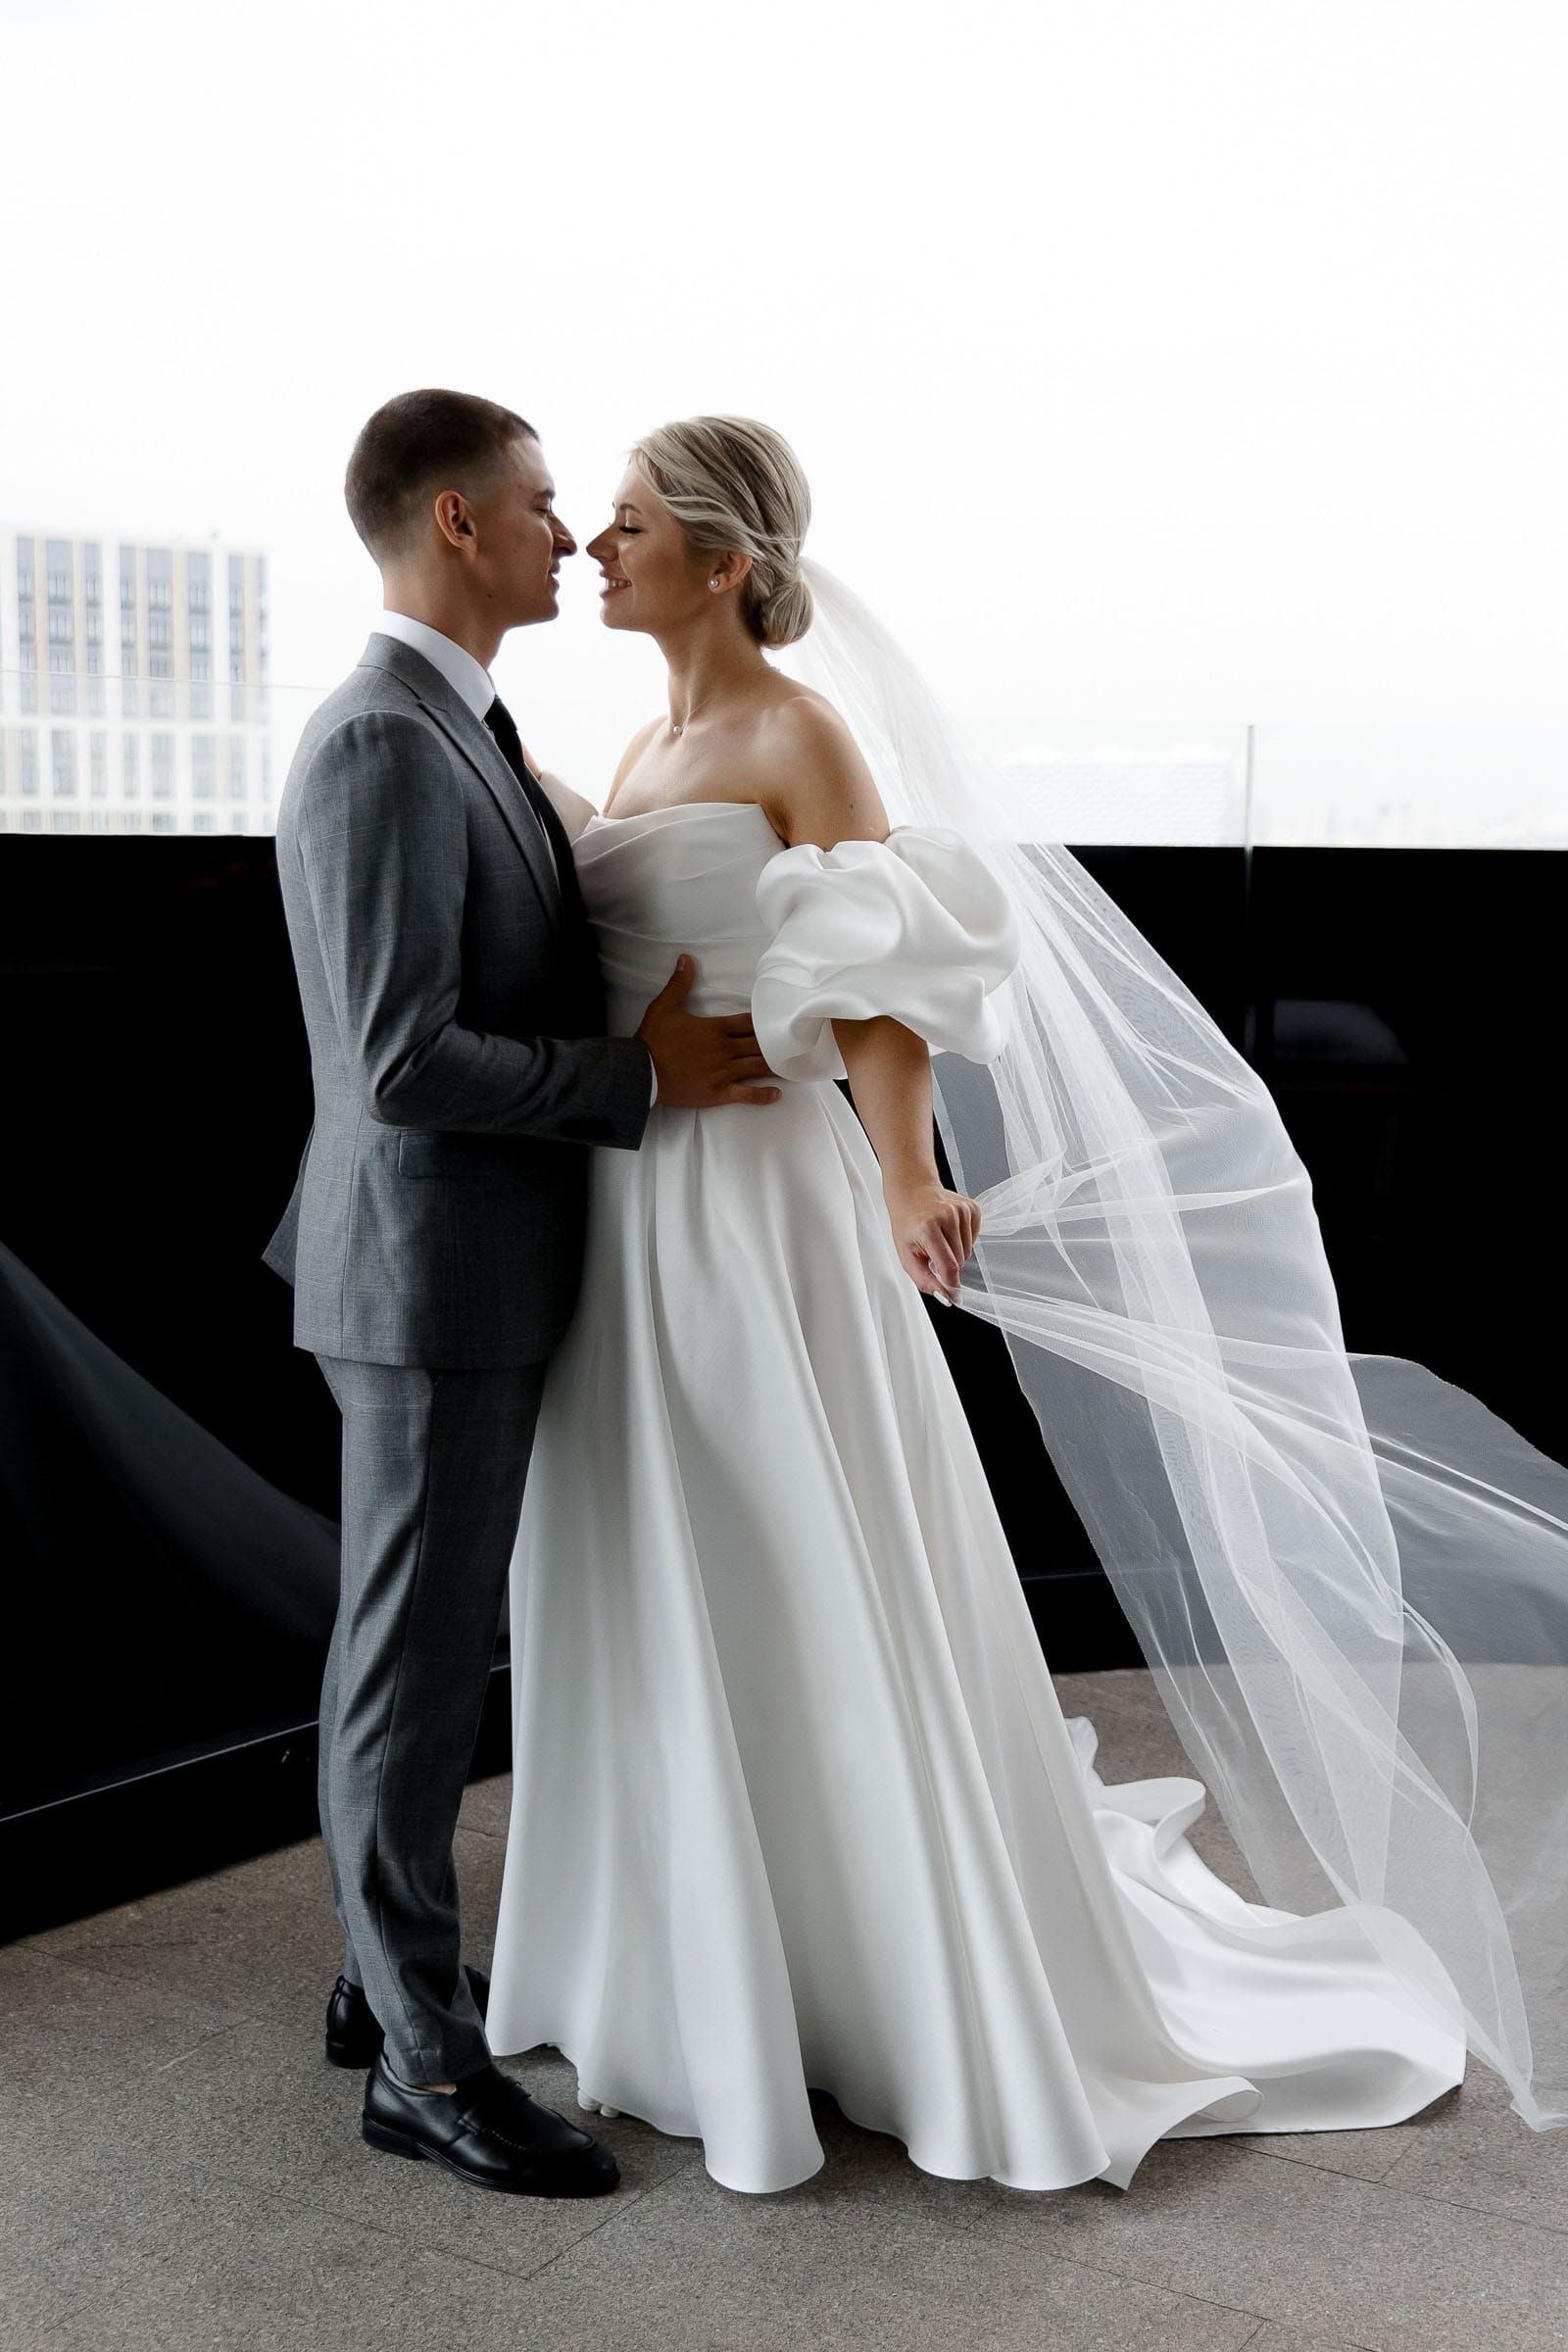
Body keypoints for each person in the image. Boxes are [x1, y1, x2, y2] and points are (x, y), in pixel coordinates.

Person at [480, 416, 1477, 2195]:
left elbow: (880, 980)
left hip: (756, 1210)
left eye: (627, 527)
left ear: (722, 561)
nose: (598, 550)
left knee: (798, 1545)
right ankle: (703, 1954)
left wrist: (903, 1174)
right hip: (637, 1204)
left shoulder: (800, 733)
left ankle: (882, 1966)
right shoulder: (638, 740)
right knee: (673, 1554)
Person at [262, 390, 781, 2199]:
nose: (572, 534)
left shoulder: (461, 721)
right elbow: (395, 1063)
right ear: (457, 523)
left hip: (474, 1270)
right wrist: (631, 1080)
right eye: (548, 505)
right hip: (425, 1280)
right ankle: (420, 2065)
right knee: (407, 1673)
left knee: (415, 1655)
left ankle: (370, 1980)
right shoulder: (377, 746)